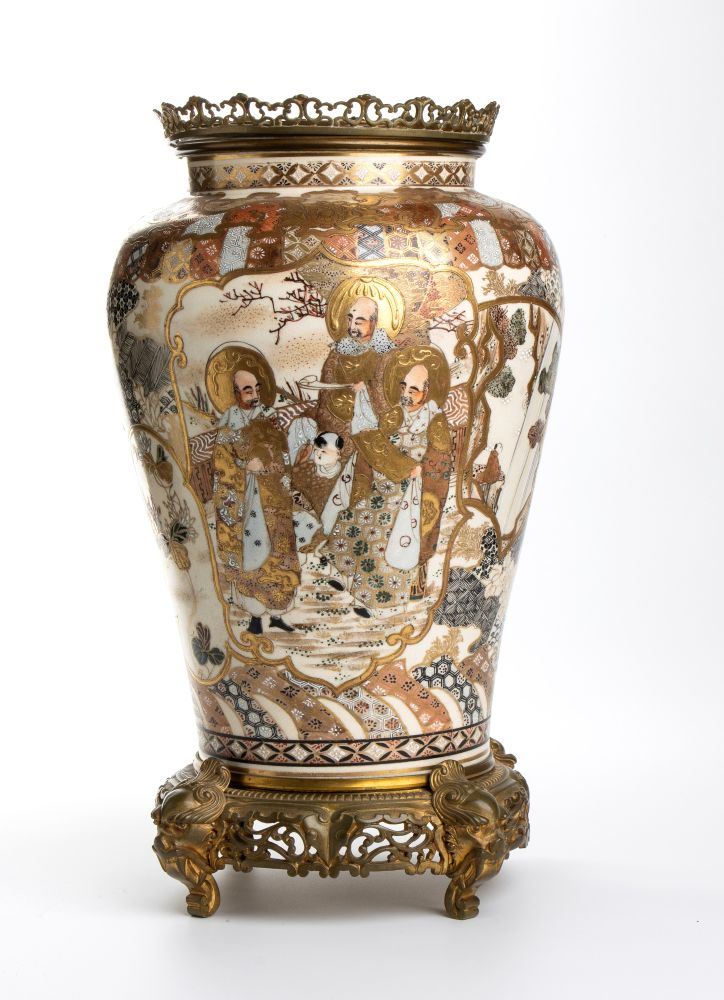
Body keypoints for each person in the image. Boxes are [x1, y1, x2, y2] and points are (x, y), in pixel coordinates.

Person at [325, 356, 451, 616]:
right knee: (353, 516)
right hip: (383, 488)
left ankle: (376, 601)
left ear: (427, 391)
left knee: (381, 534)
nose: (406, 394)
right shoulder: (394, 415)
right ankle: (346, 574)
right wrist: (362, 397)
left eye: (413, 390)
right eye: (403, 387)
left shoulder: (435, 422)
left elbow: (440, 463)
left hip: (409, 497)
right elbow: (374, 438)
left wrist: (421, 471)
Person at [212, 366, 300, 634]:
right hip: (244, 498)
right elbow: (221, 462)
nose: (254, 395)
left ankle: (277, 613)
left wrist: (269, 466)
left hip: (272, 495)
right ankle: (254, 615)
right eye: (247, 390)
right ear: (236, 392)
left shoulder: (269, 416)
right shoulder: (228, 422)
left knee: (278, 551)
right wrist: (243, 466)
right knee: (250, 554)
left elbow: (282, 454)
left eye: (257, 389)